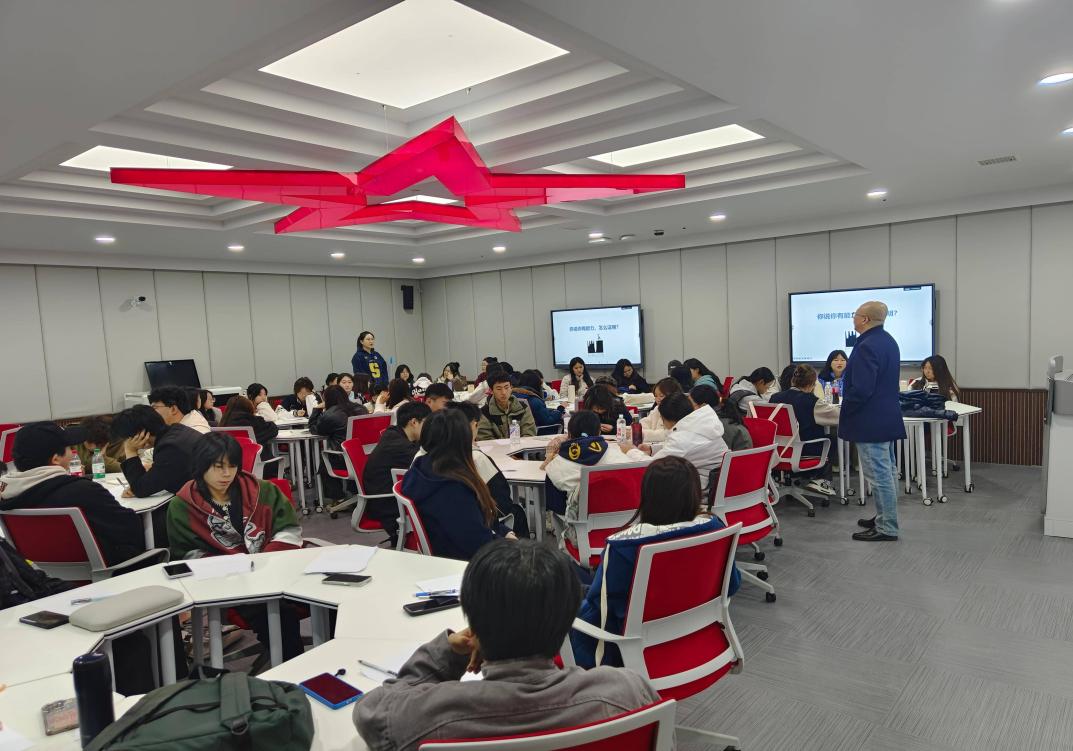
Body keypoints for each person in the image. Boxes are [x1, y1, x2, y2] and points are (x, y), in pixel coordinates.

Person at [353, 539, 659, 750]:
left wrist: (447, 651)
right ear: (567, 621)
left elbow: (372, 712)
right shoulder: (627, 693)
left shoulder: (427, 717)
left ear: (475, 628)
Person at [572, 456, 740, 668]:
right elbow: (732, 584)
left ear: (647, 497)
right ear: (695, 494)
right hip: (697, 638)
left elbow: (601, 607)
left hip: (628, 652)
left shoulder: (624, 547)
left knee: (566, 579)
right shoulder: (716, 530)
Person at [167, 433, 304, 659]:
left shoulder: (262, 491)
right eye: (218, 466)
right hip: (229, 585)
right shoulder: (183, 505)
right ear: (201, 465)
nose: (226, 474)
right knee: (280, 617)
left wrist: (263, 563)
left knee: (332, 600)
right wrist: (235, 569)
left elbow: (289, 530)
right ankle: (293, 673)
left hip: (278, 570)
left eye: (232, 466)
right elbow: (187, 554)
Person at [0, 422, 143, 565]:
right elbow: (130, 528)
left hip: (41, 574)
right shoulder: (83, 491)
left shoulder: (6, 494)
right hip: (108, 572)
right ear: (56, 459)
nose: (73, 452)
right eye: (70, 448)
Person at [400, 410, 516, 560]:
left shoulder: (420, 468)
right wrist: (508, 543)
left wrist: (503, 532)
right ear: (463, 441)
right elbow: (477, 542)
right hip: (467, 561)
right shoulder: (452, 488)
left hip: (446, 552)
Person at [841, 301, 906, 542]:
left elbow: (862, 389)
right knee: (887, 471)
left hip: (869, 420)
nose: (853, 318)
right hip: (886, 417)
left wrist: (847, 407)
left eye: (855, 314)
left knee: (879, 475)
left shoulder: (867, 345)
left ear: (865, 319)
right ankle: (884, 516)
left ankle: (887, 526)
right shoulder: (888, 341)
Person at [542, 410, 648, 552]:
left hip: (584, 539)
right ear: (599, 432)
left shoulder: (556, 466)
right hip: (628, 533)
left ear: (569, 435)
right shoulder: (617, 455)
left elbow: (556, 507)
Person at [444, 402, 530, 538]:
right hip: (482, 521)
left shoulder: (437, 456)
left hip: (449, 521)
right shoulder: (476, 457)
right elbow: (502, 497)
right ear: (474, 425)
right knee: (516, 511)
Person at [362, 401, 431, 544]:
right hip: (387, 506)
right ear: (414, 422)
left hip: (385, 497)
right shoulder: (400, 446)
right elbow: (429, 463)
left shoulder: (394, 434)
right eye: (427, 424)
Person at [637, 393, 728, 493]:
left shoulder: (682, 438)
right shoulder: (701, 425)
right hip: (719, 486)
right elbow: (686, 449)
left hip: (699, 491)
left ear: (666, 418)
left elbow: (651, 467)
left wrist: (631, 451)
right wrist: (652, 450)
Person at [769, 365, 838, 496]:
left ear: (792, 380)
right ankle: (822, 479)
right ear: (812, 385)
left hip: (778, 452)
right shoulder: (812, 402)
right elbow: (838, 417)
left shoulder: (774, 398)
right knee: (831, 438)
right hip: (805, 452)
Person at [112, 404, 202, 497]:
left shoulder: (170, 447)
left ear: (139, 434)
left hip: (201, 500)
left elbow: (140, 489)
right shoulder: (177, 430)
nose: (127, 442)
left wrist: (130, 451)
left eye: (127, 438)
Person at [309, 385, 366, 500]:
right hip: (364, 456)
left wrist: (316, 409)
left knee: (324, 464)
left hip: (343, 459)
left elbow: (315, 430)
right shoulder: (361, 409)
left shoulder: (330, 415)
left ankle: (337, 498)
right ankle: (355, 492)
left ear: (327, 399)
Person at [219, 395, 280, 465]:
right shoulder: (254, 421)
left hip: (231, 465)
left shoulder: (223, 424)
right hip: (259, 464)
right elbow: (273, 430)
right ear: (248, 407)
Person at [477, 372, 536, 440]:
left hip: (521, 445)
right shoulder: (485, 412)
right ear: (491, 391)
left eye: (506, 387)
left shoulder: (523, 407)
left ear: (511, 388)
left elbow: (529, 434)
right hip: (495, 447)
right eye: (499, 389)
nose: (503, 392)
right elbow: (485, 439)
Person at [691, 385, 751, 451]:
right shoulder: (725, 416)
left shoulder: (714, 426)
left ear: (703, 406)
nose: (688, 407)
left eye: (691, 405)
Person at [638, 377, 681, 442]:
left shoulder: (678, 411)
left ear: (673, 395)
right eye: (655, 396)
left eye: (661, 396)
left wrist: (643, 434)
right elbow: (645, 423)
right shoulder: (657, 409)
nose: (657, 399)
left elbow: (668, 433)